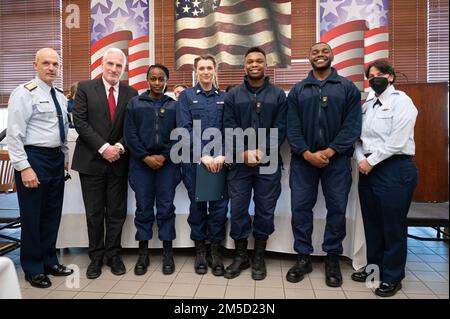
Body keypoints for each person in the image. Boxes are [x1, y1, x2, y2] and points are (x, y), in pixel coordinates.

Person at [286, 42, 362, 287]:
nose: (320, 55)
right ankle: (303, 256)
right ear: (309, 58)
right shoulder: (298, 90)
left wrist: (330, 150)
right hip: (303, 162)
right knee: (300, 210)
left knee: (337, 210)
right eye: (315, 52)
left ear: (332, 55)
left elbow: (352, 126)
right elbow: (292, 127)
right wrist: (307, 153)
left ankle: (332, 258)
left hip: (337, 161)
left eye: (324, 51)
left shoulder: (347, 88)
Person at [6, 48, 73, 288]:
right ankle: (33, 268)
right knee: (33, 216)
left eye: (55, 64)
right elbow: (14, 135)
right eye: (46, 63)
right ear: (35, 65)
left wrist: (64, 156)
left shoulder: (60, 95)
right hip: (34, 158)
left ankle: (49, 261)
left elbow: (61, 130)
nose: (51, 68)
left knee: (51, 214)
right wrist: (24, 168)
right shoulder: (24, 93)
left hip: (55, 160)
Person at [352, 60, 418, 297]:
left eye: (380, 74)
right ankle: (374, 268)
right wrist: (361, 159)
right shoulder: (367, 104)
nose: (375, 78)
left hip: (395, 168)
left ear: (390, 76)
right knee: (372, 223)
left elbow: (398, 140)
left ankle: (392, 276)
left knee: (392, 225)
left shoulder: (402, 101)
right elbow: (358, 138)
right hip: (368, 168)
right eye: (371, 75)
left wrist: (371, 161)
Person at [72, 47, 138, 279]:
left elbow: (133, 127)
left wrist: (118, 148)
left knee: (117, 212)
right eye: (110, 64)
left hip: (119, 161)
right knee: (94, 213)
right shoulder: (85, 88)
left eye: (119, 66)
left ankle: (114, 255)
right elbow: (79, 121)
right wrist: (104, 148)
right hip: (91, 161)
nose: (114, 69)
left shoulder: (132, 93)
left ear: (124, 69)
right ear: (102, 64)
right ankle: (96, 258)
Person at [223, 47, 287, 280]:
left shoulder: (278, 95)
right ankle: (241, 256)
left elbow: (281, 128)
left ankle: (259, 256)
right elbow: (227, 126)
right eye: (250, 61)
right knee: (238, 209)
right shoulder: (233, 95)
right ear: (244, 65)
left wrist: (260, 151)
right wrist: (243, 153)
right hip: (239, 165)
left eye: (259, 60)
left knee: (265, 210)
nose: (254, 64)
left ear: (266, 64)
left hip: (268, 163)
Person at [124, 64, 180, 275]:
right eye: (153, 79)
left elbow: (179, 134)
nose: (157, 82)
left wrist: (164, 155)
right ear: (147, 80)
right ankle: (143, 254)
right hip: (141, 164)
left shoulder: (174, 105)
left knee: (166, 208)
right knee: (143, 208)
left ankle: (167, 254)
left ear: (166, 80)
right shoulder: (134, 104)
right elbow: (130, 134)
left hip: (168, 165)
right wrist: (145, 157)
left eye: (161, 79)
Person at [176, 55, 228, 276]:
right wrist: (202, 154)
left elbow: (229, 128)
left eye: (209, 68)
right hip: (195, 162)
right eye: (202, 68)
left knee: (218, 208)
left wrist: (222, 154)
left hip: (219, 163)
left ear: (215, 70)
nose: (206, 72)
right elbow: (184, 128)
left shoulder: (225, 98)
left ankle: (215, 252)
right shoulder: (187, 97)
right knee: (197, 208)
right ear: (196, 71)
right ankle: (199, 251)